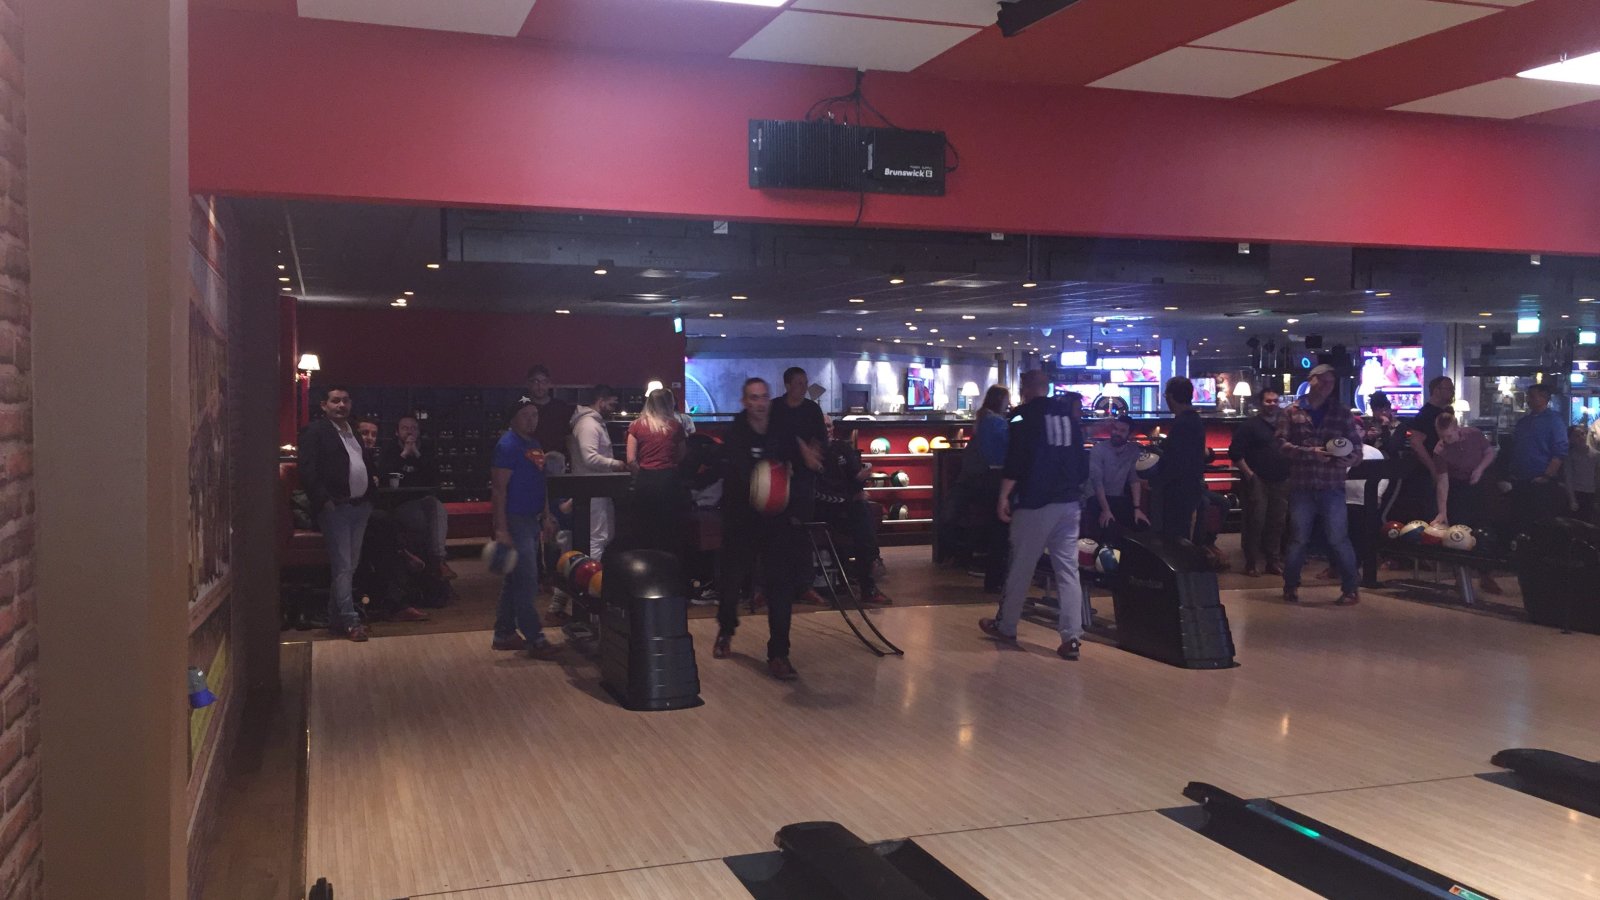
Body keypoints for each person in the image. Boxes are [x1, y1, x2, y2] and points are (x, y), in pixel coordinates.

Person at [714, 377, 823, 680]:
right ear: (744, 402)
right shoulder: (736, 432)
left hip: (775, 519)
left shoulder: (781, 428)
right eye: (754, 398)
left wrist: (805, 458)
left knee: (780, 585)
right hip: (741, 518)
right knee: (731, 581)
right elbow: (738, 472)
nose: (760, 403)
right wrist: (761, 480)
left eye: (763, 397)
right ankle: (726, 630)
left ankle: (779, 654)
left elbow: (798, 455)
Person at [979, 369, 1089, 661]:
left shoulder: (1022, 417)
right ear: (1047, 387)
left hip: (1034, 502)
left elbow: (1016, 459)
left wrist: (1004, 495)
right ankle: (1072, 637)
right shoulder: (1068, 415)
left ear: (1025, 388)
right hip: (1069, 503)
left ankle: (1006, 625)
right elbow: (1082, 461)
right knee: (1068, 571)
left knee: (1021, 567)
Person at [1279, 364, 1364, 606]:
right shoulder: (1291, 412)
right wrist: (1310, 453)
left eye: (1331, 382)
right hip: (1302, 484)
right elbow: (1280, 445)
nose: (1327, 386)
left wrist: (1350, 459)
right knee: (1298, 539)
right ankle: (1290, 586)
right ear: (1311, 380)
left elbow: (1356, 448)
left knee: (1338, 538)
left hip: (1331, 484)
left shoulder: (1341, 412)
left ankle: (1351, 589)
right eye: (1323, 381)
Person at [297, 386, 377, 641]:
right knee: (343, 566)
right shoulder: (315, 431)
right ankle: (351, 622)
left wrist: (370, 496)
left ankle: (335, 619)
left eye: (345, 400)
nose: (341, 405)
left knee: (349, 566)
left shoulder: (353, 431)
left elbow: (363, 464)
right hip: (336, 508)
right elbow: (307, 470)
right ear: (324, 405)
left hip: (360, 507)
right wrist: (324, 502)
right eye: (335, 401)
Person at [489, 398, 561, 658]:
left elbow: (541, 481)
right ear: (513, 418)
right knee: (528, 582)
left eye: (534, 415)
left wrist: (546, 515)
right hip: (515, 519)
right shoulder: (507, 445)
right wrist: (501, 529)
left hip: (531, 519)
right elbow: (499, 490)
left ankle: (504, 633)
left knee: (515, 579)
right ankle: (535, 638)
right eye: (526, 415)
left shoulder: (534, 444)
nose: (532, 420)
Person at [816, 414, 888, 604]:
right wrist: (850, 496)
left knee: (862, 511)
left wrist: (860, 480)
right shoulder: (812, 453)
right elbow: (818, 492)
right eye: (823, 426)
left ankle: (865, 578)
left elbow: (854, 479)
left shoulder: (843, 448)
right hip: (823, 509)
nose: (827, 429)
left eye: (829, 426)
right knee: (860, 513)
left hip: (846, 506)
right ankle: (869, 574)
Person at [378, 415, 455, 582]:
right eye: (405, 428)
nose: (410, 431)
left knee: (437, 508)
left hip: (423, 499)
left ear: (419, 431)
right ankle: (432, 567)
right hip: (400, 502)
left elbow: (435, 477)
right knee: (424, 523)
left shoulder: (426, 449)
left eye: (413, 428)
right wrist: (404, 454)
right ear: (397, 432)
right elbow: (384, 475)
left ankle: (438, 560)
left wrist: (417, 454)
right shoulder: (389, 450)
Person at [1229, 387, 1290, 577]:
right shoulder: (1249, 426)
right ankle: (1251, 562)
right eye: (1268, 401)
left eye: (1275, 401)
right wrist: (1250, 475)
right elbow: (1235, 452)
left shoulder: (1284, 426)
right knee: (1255, 521)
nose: (1272, 404)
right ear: (1260, 403)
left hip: (1281, 479)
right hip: (1258, 480)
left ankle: (1273, 561)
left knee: (1277, 522)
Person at [626, 388, 690, 554]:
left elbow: (631, 459)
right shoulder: (675, 427)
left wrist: (640, 474)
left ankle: (646, 561)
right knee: (669, 528)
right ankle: (668, 563)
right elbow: (682, 454)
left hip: (645, 480)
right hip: (669, 480)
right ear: (669, 404)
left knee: (644, 526)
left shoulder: (636, 426)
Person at [568, 384, 628, 559]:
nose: (613, 408)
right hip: (592, 488)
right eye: (611, 404)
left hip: (597, 487)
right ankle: (593, 574)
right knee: (597, 537)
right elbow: (590, 458)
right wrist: (615, 464)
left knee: (603, 535)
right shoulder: (589, 425)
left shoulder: (592, 423)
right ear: (601, 401)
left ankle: (595, 572)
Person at [1508, 382, 1568, 536]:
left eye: (1532, 396)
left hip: (1540, 480)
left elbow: (1560, 451)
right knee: (1519, 521)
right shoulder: (1523, 422)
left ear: (1544, 398)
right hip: (1520, 479)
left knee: (1540, 523)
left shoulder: (1554, 420)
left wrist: (1547, 476)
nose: (1528, 399)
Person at [768, 367, 828, 521]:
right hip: (778, 471)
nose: (804, 387)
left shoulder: (812, 409)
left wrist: (814, 452)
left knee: (803, 515)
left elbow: (821, 438)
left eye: (806, 383)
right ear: (787, 386)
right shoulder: (774, 408)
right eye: (799, 383)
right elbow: (767, 439)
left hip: (804, 473)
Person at [1151, 377, 1206, 541]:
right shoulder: (1194, 419)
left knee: (1176, 535)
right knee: (1181, 532)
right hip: (1190, 485)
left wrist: (1157, 480)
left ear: (1171, 396)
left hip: (1180, 488)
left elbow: (1177, 461)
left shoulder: (1183, 423)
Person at [1396, 376, 1455, 521]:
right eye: (1449, 389)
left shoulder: (1440, 413)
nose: (1452, 392)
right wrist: (1433, 469)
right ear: (1436, 390)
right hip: (1427, 475)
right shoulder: (1426, 415)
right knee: (1433, 513)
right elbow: (1416, 443)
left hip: (1438, 471)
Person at [1088, 415, 1148, 541]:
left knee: (1142, 526)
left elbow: (1134, 480)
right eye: (1115, 429)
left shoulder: (1133, 450)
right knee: (1109, 528)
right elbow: (1097, 483)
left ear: (1129, 435)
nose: (1116, 433)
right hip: (1096, 498)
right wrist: (1106, 510)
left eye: (1122, 431)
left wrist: (1137, 508)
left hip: (1118, 498)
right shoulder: (1099, 450)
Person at [521, 364, 575, 473]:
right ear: (528, 384)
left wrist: (574, 462)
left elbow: (569, 437)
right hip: (527, 463)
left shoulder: (560, 407)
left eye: (544, 382)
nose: (540, 386)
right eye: (536, 381)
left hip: (557, 463)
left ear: (549, 384)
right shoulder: (520, 408)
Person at [1565, 425, 1596, 522]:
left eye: (1582, 434)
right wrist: (1572, 499)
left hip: (1592, 493)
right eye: (1577, 436)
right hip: (1576, 492)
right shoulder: (1570, 456)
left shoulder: (1596, 455)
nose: (1581, 437)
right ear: (1571, 439)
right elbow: (1568, 477)